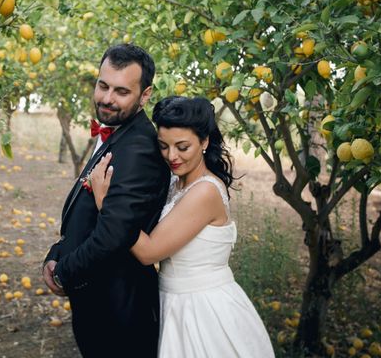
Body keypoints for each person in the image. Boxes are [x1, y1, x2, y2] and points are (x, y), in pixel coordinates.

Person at [90, 96, 275, 358]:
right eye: (163, 146)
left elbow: (149, 252)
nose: (171, 156)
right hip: (172, 300)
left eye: (182, 147)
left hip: (203, 309)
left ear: (204, 141)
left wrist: (106, 203)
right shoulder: (176, 183)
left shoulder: (205, 192)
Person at [41, 44, 171, 358]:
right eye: (103, 86)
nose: (107, 98)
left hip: (118, 309)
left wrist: (64, 271)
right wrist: (56, 252)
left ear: (145, 95)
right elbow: (86, 211)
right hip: (98, 303)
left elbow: (114, 233)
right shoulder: (118, 132)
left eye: (121, 91)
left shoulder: (140, 148)